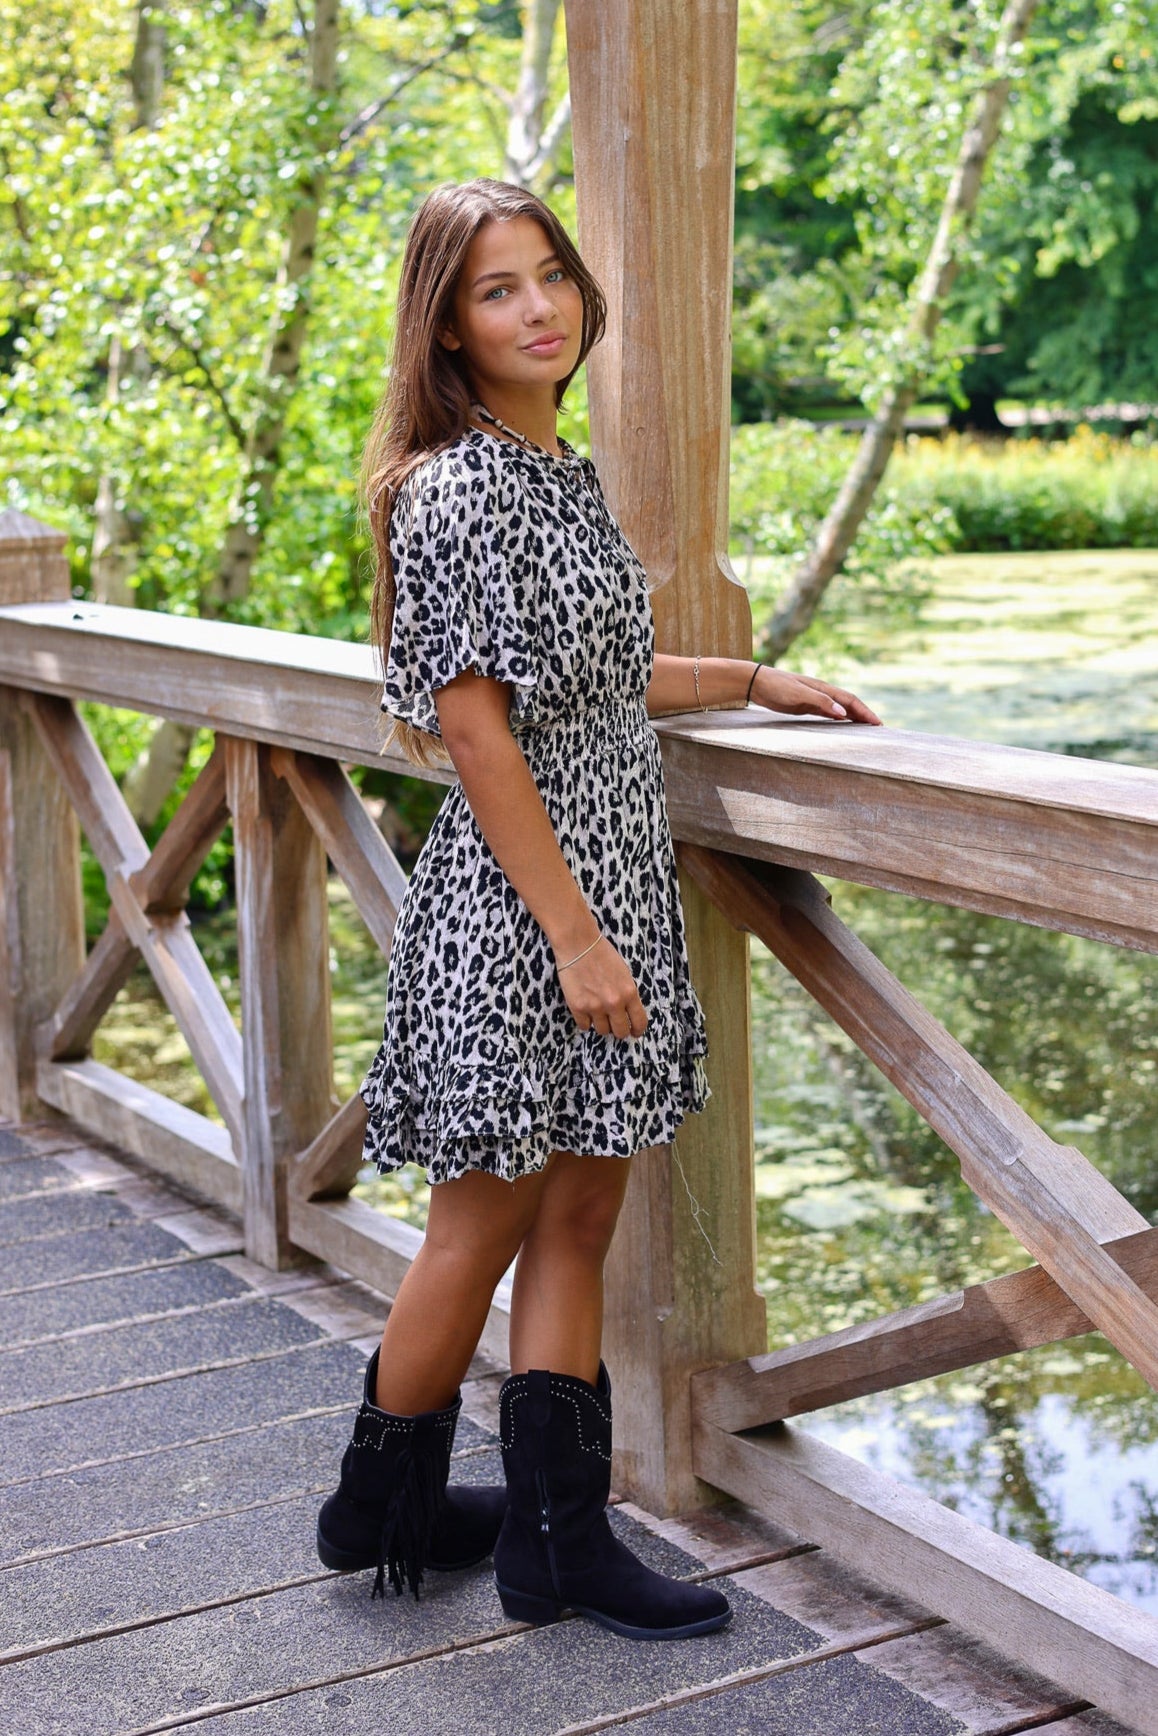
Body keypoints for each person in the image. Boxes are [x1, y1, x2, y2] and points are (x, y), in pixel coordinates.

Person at [316, 178, 881, 1642]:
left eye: (550, 275)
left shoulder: (556, 470)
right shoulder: (452, 487)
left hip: (608, 884)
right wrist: (574, 938)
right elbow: (477, 728)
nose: (540, 308)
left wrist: (749, 680)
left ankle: (555, 1542)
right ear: (446, 325)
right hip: (527, 913)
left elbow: (597, 670)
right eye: (497, 289)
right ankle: (373, 1509)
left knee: (579, 1209)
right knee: (480, 1224)